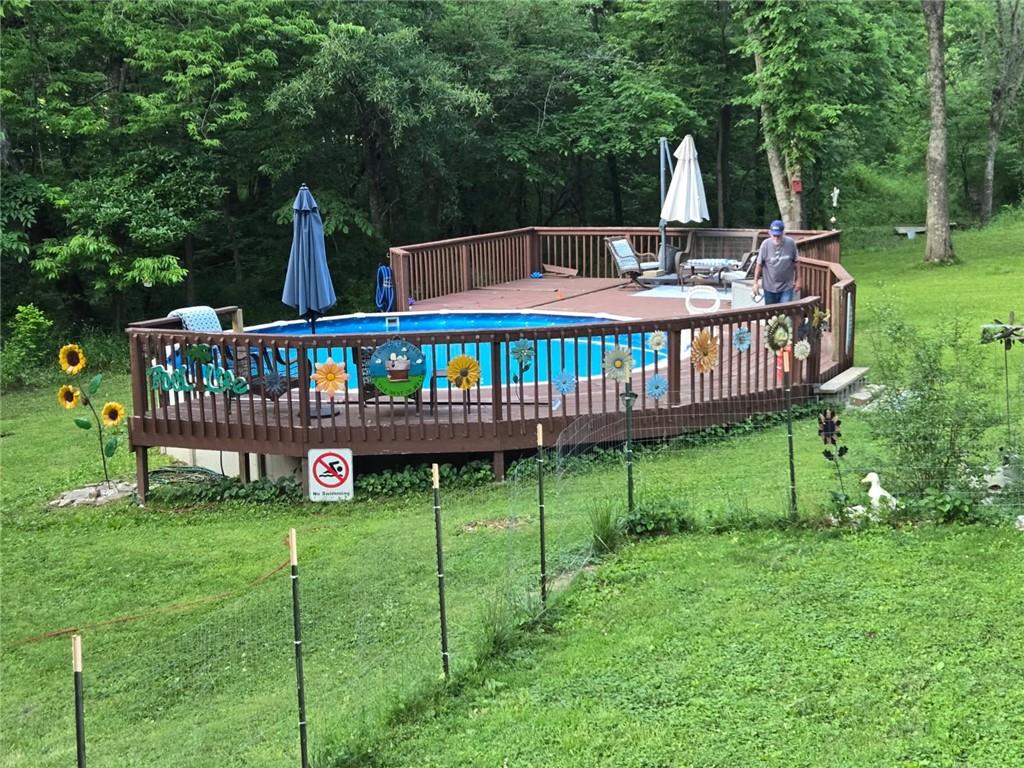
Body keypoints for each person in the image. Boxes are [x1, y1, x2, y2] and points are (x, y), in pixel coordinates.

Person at [752, 219, 800, 304]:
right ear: (770, 233)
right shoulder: (765, 245)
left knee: (784, 310)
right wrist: (755, 282)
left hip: (787, 286)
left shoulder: (791, 243)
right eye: (774, 235)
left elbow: (796, 262)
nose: (776, 238)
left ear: (783, 233)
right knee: (771, 311)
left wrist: (798, 280)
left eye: (778, 235)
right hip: (769, 288)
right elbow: (759, 265)